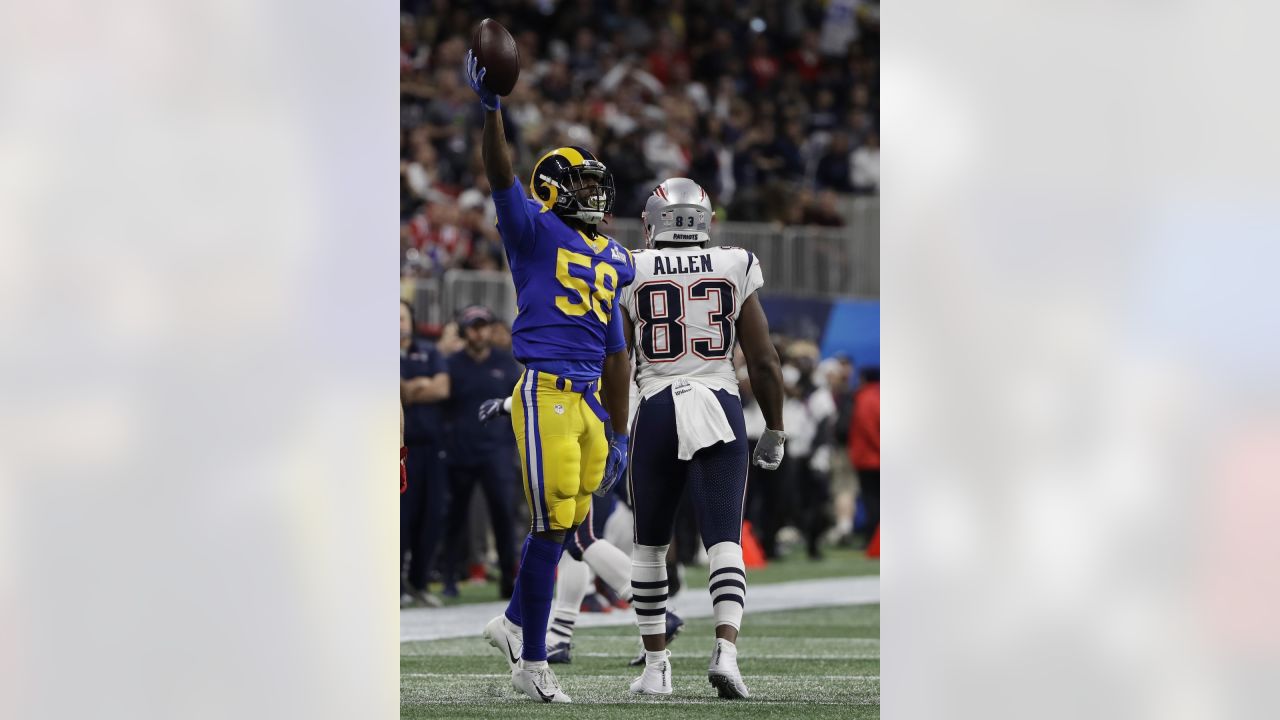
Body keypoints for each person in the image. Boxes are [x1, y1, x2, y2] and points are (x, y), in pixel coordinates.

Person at [465, 48, 636, 704]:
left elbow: (618, 349)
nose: (594, 194)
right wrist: (492, 110)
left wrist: (618, 430)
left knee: (564, 524)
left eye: (597, 185)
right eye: (582, 185)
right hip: (545, 393)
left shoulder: (609, 255)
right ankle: (533, 663)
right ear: (553, 190)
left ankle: (512, 624)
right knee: (550, 522)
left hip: (589, 400)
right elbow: (500, 172)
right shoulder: (531, 231)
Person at [617, 177, 787, 698]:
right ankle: (727, 653)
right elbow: (762, 359)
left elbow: (618, 361)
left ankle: (656, 668)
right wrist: (775, 426)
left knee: (649, 546)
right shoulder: (735, 261)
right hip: (718, 404)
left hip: (655, 404)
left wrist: (614, 432)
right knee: (724, 541)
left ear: (653, 223)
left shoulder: (631, 265)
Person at [440, 305, 521, 599]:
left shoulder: (505, 363)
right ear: (465, 330)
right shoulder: (452, 363)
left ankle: (508, 579)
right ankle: (450, 576)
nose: (479, 331)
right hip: (460, 451)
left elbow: (519, 406)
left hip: (496, 452)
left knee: (503, 516)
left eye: (484, 325)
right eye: (474, 326)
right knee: (455, 516)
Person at [400, 300, 451, 608]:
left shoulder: (430, 351)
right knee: (400, 519)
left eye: (403, 317)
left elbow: (443, 388)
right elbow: (399, 393)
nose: (400, 323)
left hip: (433, 448)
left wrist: (412, 387)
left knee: (431, 516)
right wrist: (421, 385)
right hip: (400, 450)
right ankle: (396, 585)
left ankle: (419, 583)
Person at [849, 366, 880, 545]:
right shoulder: (878, 397)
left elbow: (868, 428)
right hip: (874, 456)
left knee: (871, 499)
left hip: (868, 458)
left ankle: (873, 537)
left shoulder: (864, 398)